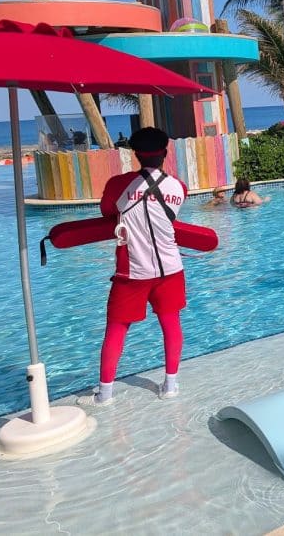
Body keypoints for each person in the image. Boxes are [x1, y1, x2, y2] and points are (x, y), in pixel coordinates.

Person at [78, 127, 188, 407]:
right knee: (171, 324)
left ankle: (104, 394)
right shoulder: (179, 187)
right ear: (164, 153)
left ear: (136, 155)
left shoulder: (117, 185)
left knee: (116, 328)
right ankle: (171, 385)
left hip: (132, 272)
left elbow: (107, 212)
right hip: (171, 268)